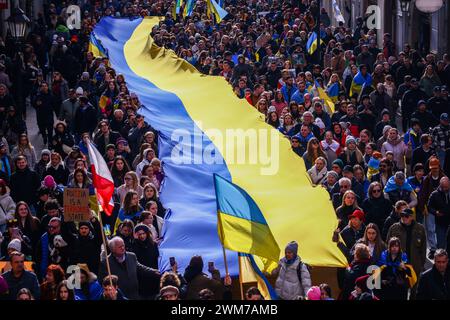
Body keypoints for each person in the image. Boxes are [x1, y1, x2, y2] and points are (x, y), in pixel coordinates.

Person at [386, 208, 427, 291]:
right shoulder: (394, 228)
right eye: (402, 215)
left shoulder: (420, 228)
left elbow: (423, 247)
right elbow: (388, 245)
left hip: (415, 262)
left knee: (414, 288)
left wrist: (421, 263)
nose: (404, 217)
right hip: (399, 262)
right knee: (400, 287)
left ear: (412, 217)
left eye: (406, 216)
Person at [427, 177, 450, 251]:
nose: (445, 189)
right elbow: (429, 207)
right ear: (440, 185)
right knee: (441, 244)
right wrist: (435, 212)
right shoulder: (434, 194)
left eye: (447, 187)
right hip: (440, 222)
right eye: (443, 187)